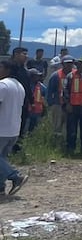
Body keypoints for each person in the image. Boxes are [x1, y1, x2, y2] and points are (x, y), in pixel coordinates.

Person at [0, 60, 29, 195]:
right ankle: (0, 188)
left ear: (7, 70)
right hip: (14, 129)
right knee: (2, 159)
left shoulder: (3, 85)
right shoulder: (19, 87)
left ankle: (15, 176)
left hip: (2, 128)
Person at [46, 55, 74, 139]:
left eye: (71, 63)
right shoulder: (56, 75)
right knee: (57, 126)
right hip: (58, 104)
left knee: (69, 125)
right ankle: (56, 142)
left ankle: (66, 142)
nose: (69, 65)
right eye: (67, 63)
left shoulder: (75, 75)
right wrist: (51, 104)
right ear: (62, 64)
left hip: (71, 105)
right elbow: (49, 91)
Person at [26, 69, 45, 134]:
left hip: (37, 112)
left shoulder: (41, 86)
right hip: (27, 112)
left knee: (34, 130)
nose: (38, 77)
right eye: (36, 76)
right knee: (25, 130)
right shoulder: (26, 85)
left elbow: (45, 94)